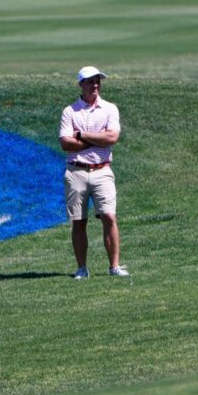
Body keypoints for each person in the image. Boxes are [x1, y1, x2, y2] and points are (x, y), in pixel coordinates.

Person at [59, 66, 129, 279]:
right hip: (76, 172)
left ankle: (114, 267)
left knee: (109, 216)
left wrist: (82, 136)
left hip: (102, 171)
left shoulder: (110, 109)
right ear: (81, 84)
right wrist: (95, 139)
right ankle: (82, 268)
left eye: (98, 81)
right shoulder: (69, 111)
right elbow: (65, 143)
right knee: (79, 221)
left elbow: (112, 139)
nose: (95, 85)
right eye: (90, 81)